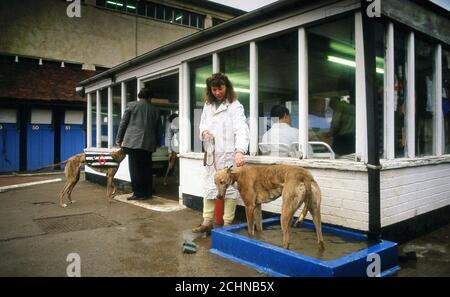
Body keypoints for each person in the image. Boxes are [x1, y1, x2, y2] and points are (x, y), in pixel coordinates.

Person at [192, 73, 249, 233]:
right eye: (214, 89)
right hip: (212, 154)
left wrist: (240, 151)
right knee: (210, 185)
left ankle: (227, 223)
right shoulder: (208, 105)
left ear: (227, 87)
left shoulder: (235, 106)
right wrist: (203, 132)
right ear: (210, 90)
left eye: (220, 88)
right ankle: (207, 221)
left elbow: (241, 129)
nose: (218, 92)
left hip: (229, 154)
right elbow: (202, 123)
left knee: (229, 189)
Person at [116, 87, 162, 200]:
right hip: (148, 144)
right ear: (150, 97)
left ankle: (137, 193)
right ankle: (147, 193)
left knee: (135, 169)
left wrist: (119, 138)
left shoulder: (131, 105)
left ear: (139, 96)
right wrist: (157, 142)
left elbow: (123, 123)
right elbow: (159, 129)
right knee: (147, 168)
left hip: (133, 143)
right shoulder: (155, 109)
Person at [163, 113, 179, 186]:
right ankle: (165, 179)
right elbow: (169, 138)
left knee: (176, 164)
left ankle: (177, 179)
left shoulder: (177, 124)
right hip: (174, 147)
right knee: (171, 164)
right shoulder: (172, 125)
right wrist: (170, 150)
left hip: (179, 146)